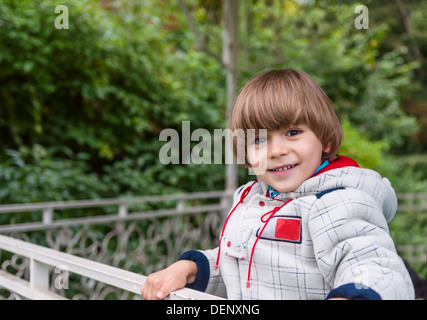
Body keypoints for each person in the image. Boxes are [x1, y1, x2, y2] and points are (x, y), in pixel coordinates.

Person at [141, 68, 415, 300]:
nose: (275, 151)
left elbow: (373, 264)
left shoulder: (336, 201)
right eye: (259, 139)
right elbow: (242, 265)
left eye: (293, 132)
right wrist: (190, 268)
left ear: (326, 141)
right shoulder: (251, 198)